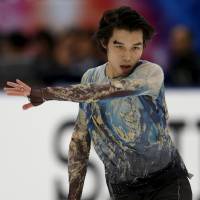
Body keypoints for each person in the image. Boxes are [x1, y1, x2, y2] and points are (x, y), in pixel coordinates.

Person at [4, 6, 192, 200]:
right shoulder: (91, 77)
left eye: (136, 47)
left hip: (166, 184)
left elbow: (106, 91)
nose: (128, 56)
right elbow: (80, 141)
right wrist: (73, 196)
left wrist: (44, 93)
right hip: (122, 191)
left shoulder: (151, 73)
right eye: (119, 46)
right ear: (104, 43)